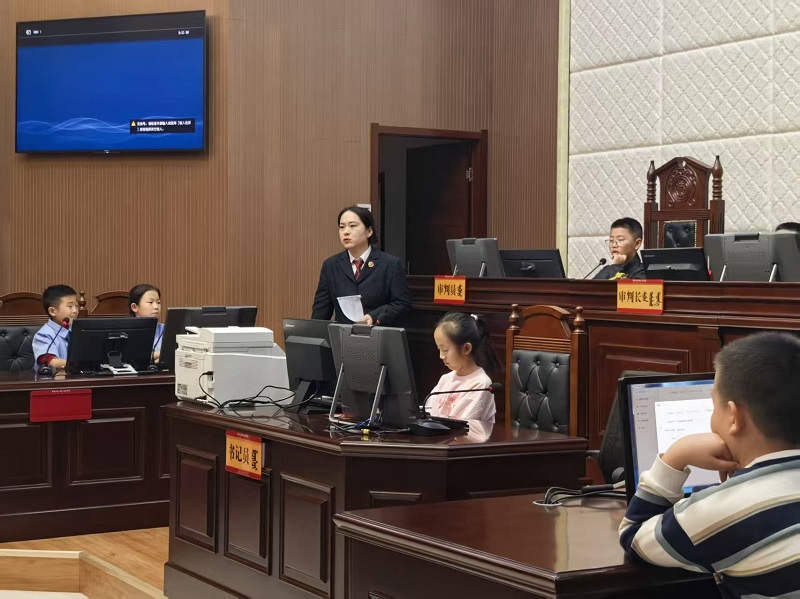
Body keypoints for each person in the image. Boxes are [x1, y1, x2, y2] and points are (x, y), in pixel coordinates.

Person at [619, 332, 800, 598]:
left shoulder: (720, 511)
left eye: (713, 406)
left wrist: (676, 456)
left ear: (734, 417)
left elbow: (634, 536)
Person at [312, 205, 411, 326]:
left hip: (377, 333)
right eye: (342, 227)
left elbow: (402, 304)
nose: (346, 232)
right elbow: (321, 310)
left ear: (369, 231)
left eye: (352, 226)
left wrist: (374, 316)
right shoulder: (331, 266)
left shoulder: (390, 264)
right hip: (343, 335)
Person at [425, 312, 501, 422]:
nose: (441, 356)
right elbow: (428, 411)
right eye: (439, 349)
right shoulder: (446, 379)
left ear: (466, 348)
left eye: (445, 350)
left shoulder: (481, 384)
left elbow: (461, 424)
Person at [33, 285, 79, 372]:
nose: (75, 311)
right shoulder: (43, 335)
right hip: (53, 378)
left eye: (76, 306)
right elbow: (51, 362)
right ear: (52, 311)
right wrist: (81, 364)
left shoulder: (79, 330)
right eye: (70, 306)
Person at [129, 284, 164, 361]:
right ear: (134, 307)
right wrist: (160, 355)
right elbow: (130, 356)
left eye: (158, 302)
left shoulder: (167, 329)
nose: (156, 307)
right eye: (150, 302)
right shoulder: (126, 332)